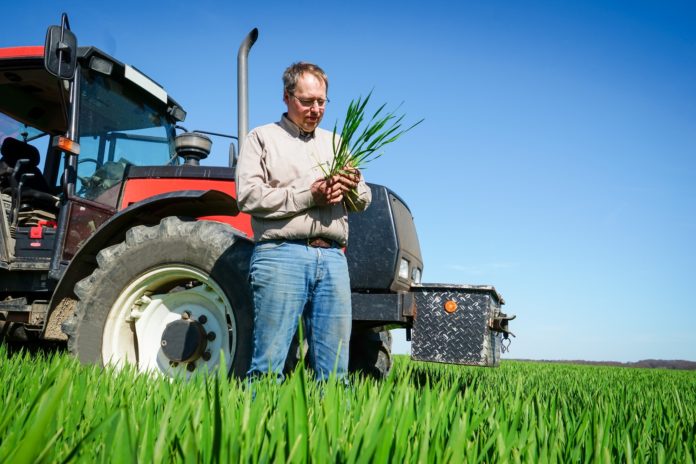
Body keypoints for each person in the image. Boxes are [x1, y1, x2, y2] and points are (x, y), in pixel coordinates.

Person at [235, 62, 372, 381]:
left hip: (334, 260)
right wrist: (309, 195)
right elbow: (248, 197)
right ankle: (255, 429)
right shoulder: (262, 138)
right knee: (269, 364)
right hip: (282, 254)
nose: (315, 109)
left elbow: (364, 199)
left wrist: (350, 189)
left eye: (321, 101)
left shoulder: (337, 143)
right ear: (286, 97)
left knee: (336, 369)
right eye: (307, 101)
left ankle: (333, 431)